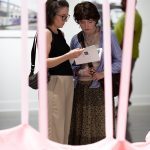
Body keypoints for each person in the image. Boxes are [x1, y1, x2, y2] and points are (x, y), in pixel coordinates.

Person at [68, 1, 122, 145]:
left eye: (90, 21)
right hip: (81, 90)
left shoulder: (108, 36)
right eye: (82, 21)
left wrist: (103, 73)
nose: (86, 25)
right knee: (82, 129)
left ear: (96, 20)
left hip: (101, 89)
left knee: (101, 128)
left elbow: (119, 62)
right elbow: (71, 68)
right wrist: (80, 72)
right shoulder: (76, 39)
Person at [45, 0, 83, 144]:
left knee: (64, 125)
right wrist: (68, 55)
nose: (65, 20)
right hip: (55, 82)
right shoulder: (46, 33)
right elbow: (44, 62)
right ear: (51, 14)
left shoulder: (59, 33)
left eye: (66, 16)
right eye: (62, 16)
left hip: (66, 81)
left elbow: (63, 58)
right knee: (55, 126)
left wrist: (77, 56)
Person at [114, 0, 142, 105]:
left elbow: (128, 37)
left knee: (124, 78)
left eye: (124, 1)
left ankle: (124, 103)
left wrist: (118, 53)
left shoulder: (133, 16)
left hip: (126, 54)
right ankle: (123, 103)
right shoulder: (129, 15)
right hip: (123, 53)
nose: (121, 2)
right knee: (122, 78)